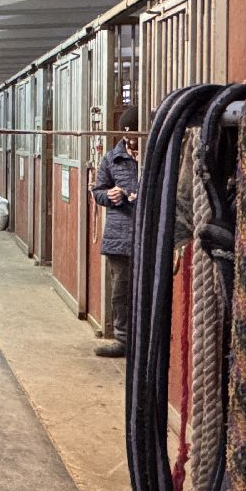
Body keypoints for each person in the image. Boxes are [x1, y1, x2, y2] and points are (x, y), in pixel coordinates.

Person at [91, 105, 140, 358]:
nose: (133, 143)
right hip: (119, 235)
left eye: (137, 137)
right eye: (129, 137)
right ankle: (122, 339)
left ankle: (145, 339)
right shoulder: (112, 158)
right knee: (120, 290)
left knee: (147, 289)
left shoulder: (156, 156)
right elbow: (97, 190)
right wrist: (109, 195)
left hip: (148, 234)